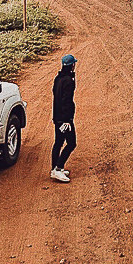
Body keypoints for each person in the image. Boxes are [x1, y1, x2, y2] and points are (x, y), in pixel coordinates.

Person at [51, 54, 77, 182]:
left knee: (59, 142)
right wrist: (67, 120)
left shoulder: (58, 78)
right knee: (71, 143)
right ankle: (58, 168)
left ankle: (54, 168)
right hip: (65, 119)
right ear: (72, 65)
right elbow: (66, 101)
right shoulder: (68, 81)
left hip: (57, 117)